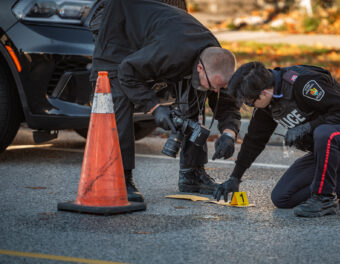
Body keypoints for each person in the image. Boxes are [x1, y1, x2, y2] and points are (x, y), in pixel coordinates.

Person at [89, 0, 241, 202]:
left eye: (220, 86)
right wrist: (154, 107)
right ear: (200, 68)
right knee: (117, 91)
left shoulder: (215, 60)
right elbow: (127, 71)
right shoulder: (171, 52)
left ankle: (192, 175)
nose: (216, 90)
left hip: (161, 34)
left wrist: (229, 133)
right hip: (118, 25)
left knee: (196, 92)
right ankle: (121, 177)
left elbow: (225, 102)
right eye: (215, 85)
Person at [214, 62, 340, 217]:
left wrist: (307, 127)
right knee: (282, 198)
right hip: (327, 152)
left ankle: (324, 199)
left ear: (264, 92)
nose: (250, 107)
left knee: (323, 133)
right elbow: (254, 141)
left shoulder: (303, 83)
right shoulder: (268, 103)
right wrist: (235, 177)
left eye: (249, 103)